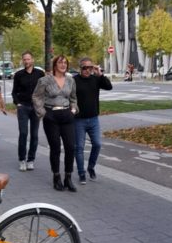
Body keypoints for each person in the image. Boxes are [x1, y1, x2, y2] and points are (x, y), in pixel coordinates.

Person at [32, 55, 78, 192]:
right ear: (55, 64)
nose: (63, 64)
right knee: (56, 148)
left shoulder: (70, 80)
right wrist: (42, 112)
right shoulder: (45, 80)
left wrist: (74, 109)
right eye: (60, 62)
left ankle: (68, 177)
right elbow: (36, 96)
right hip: (51, 116)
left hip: (67, 116)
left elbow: (73, 97)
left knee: (70, 147)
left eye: (65, 62)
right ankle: (56, 177)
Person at [74, 57, 113, 184]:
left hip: (94, 119)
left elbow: (109, 87)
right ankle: (81, 173)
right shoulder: (74, 80)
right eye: (84, 67)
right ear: (80, 68)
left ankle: (91, 167)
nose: (87, 70)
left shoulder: (95, 79)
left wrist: (100, 74)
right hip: (79, 120)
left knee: (97, 144)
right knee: (79, 147)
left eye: (90, 67)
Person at [12, 51, 45, 172]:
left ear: (32, 60)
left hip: (36, 107)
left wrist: (42, 104)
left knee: (34, 135)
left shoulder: (40, 73)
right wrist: (18, 103)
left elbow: (44, 90)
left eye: (28, 59)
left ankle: (31, 160)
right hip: (23, 107)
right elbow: (14, 92)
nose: (26, 61)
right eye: (24, 59)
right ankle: (22, 159)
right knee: (23, 133)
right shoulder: (19, 74)